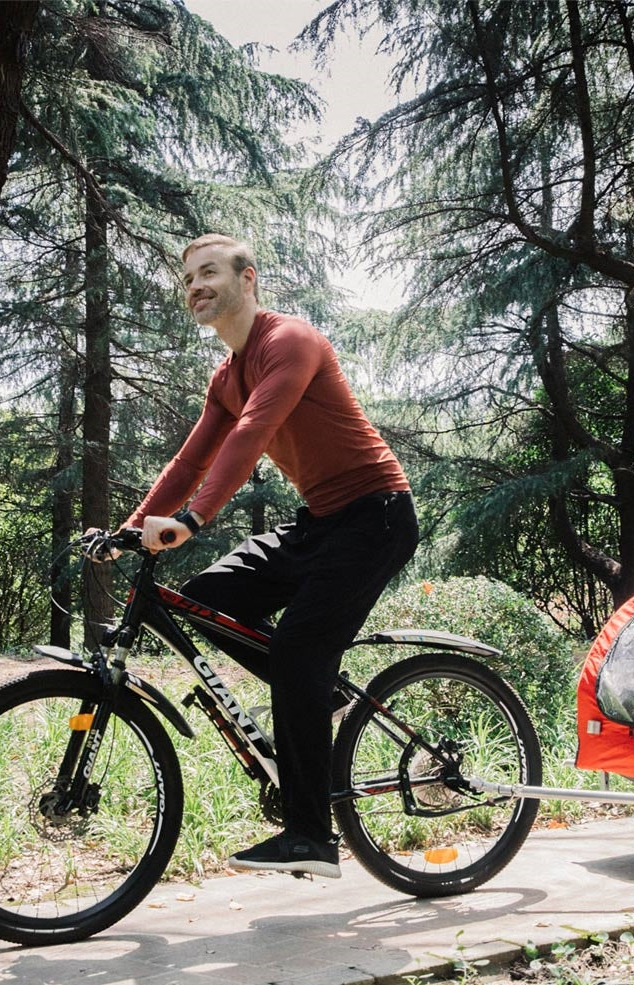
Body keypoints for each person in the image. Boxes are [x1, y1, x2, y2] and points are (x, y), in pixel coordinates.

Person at [121, 233, 418, 877]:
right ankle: (312, 688)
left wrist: (195, 517)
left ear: (247, 279)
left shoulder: (290, 341)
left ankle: (311, 837)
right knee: (202, 601)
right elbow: (190, 459)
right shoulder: (224, 377)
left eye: (209, 273)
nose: (195, 285)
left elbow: (254, 433)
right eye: (188, 278)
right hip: (318, 522)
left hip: (376, 516)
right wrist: (130, 527)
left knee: (296, 655)